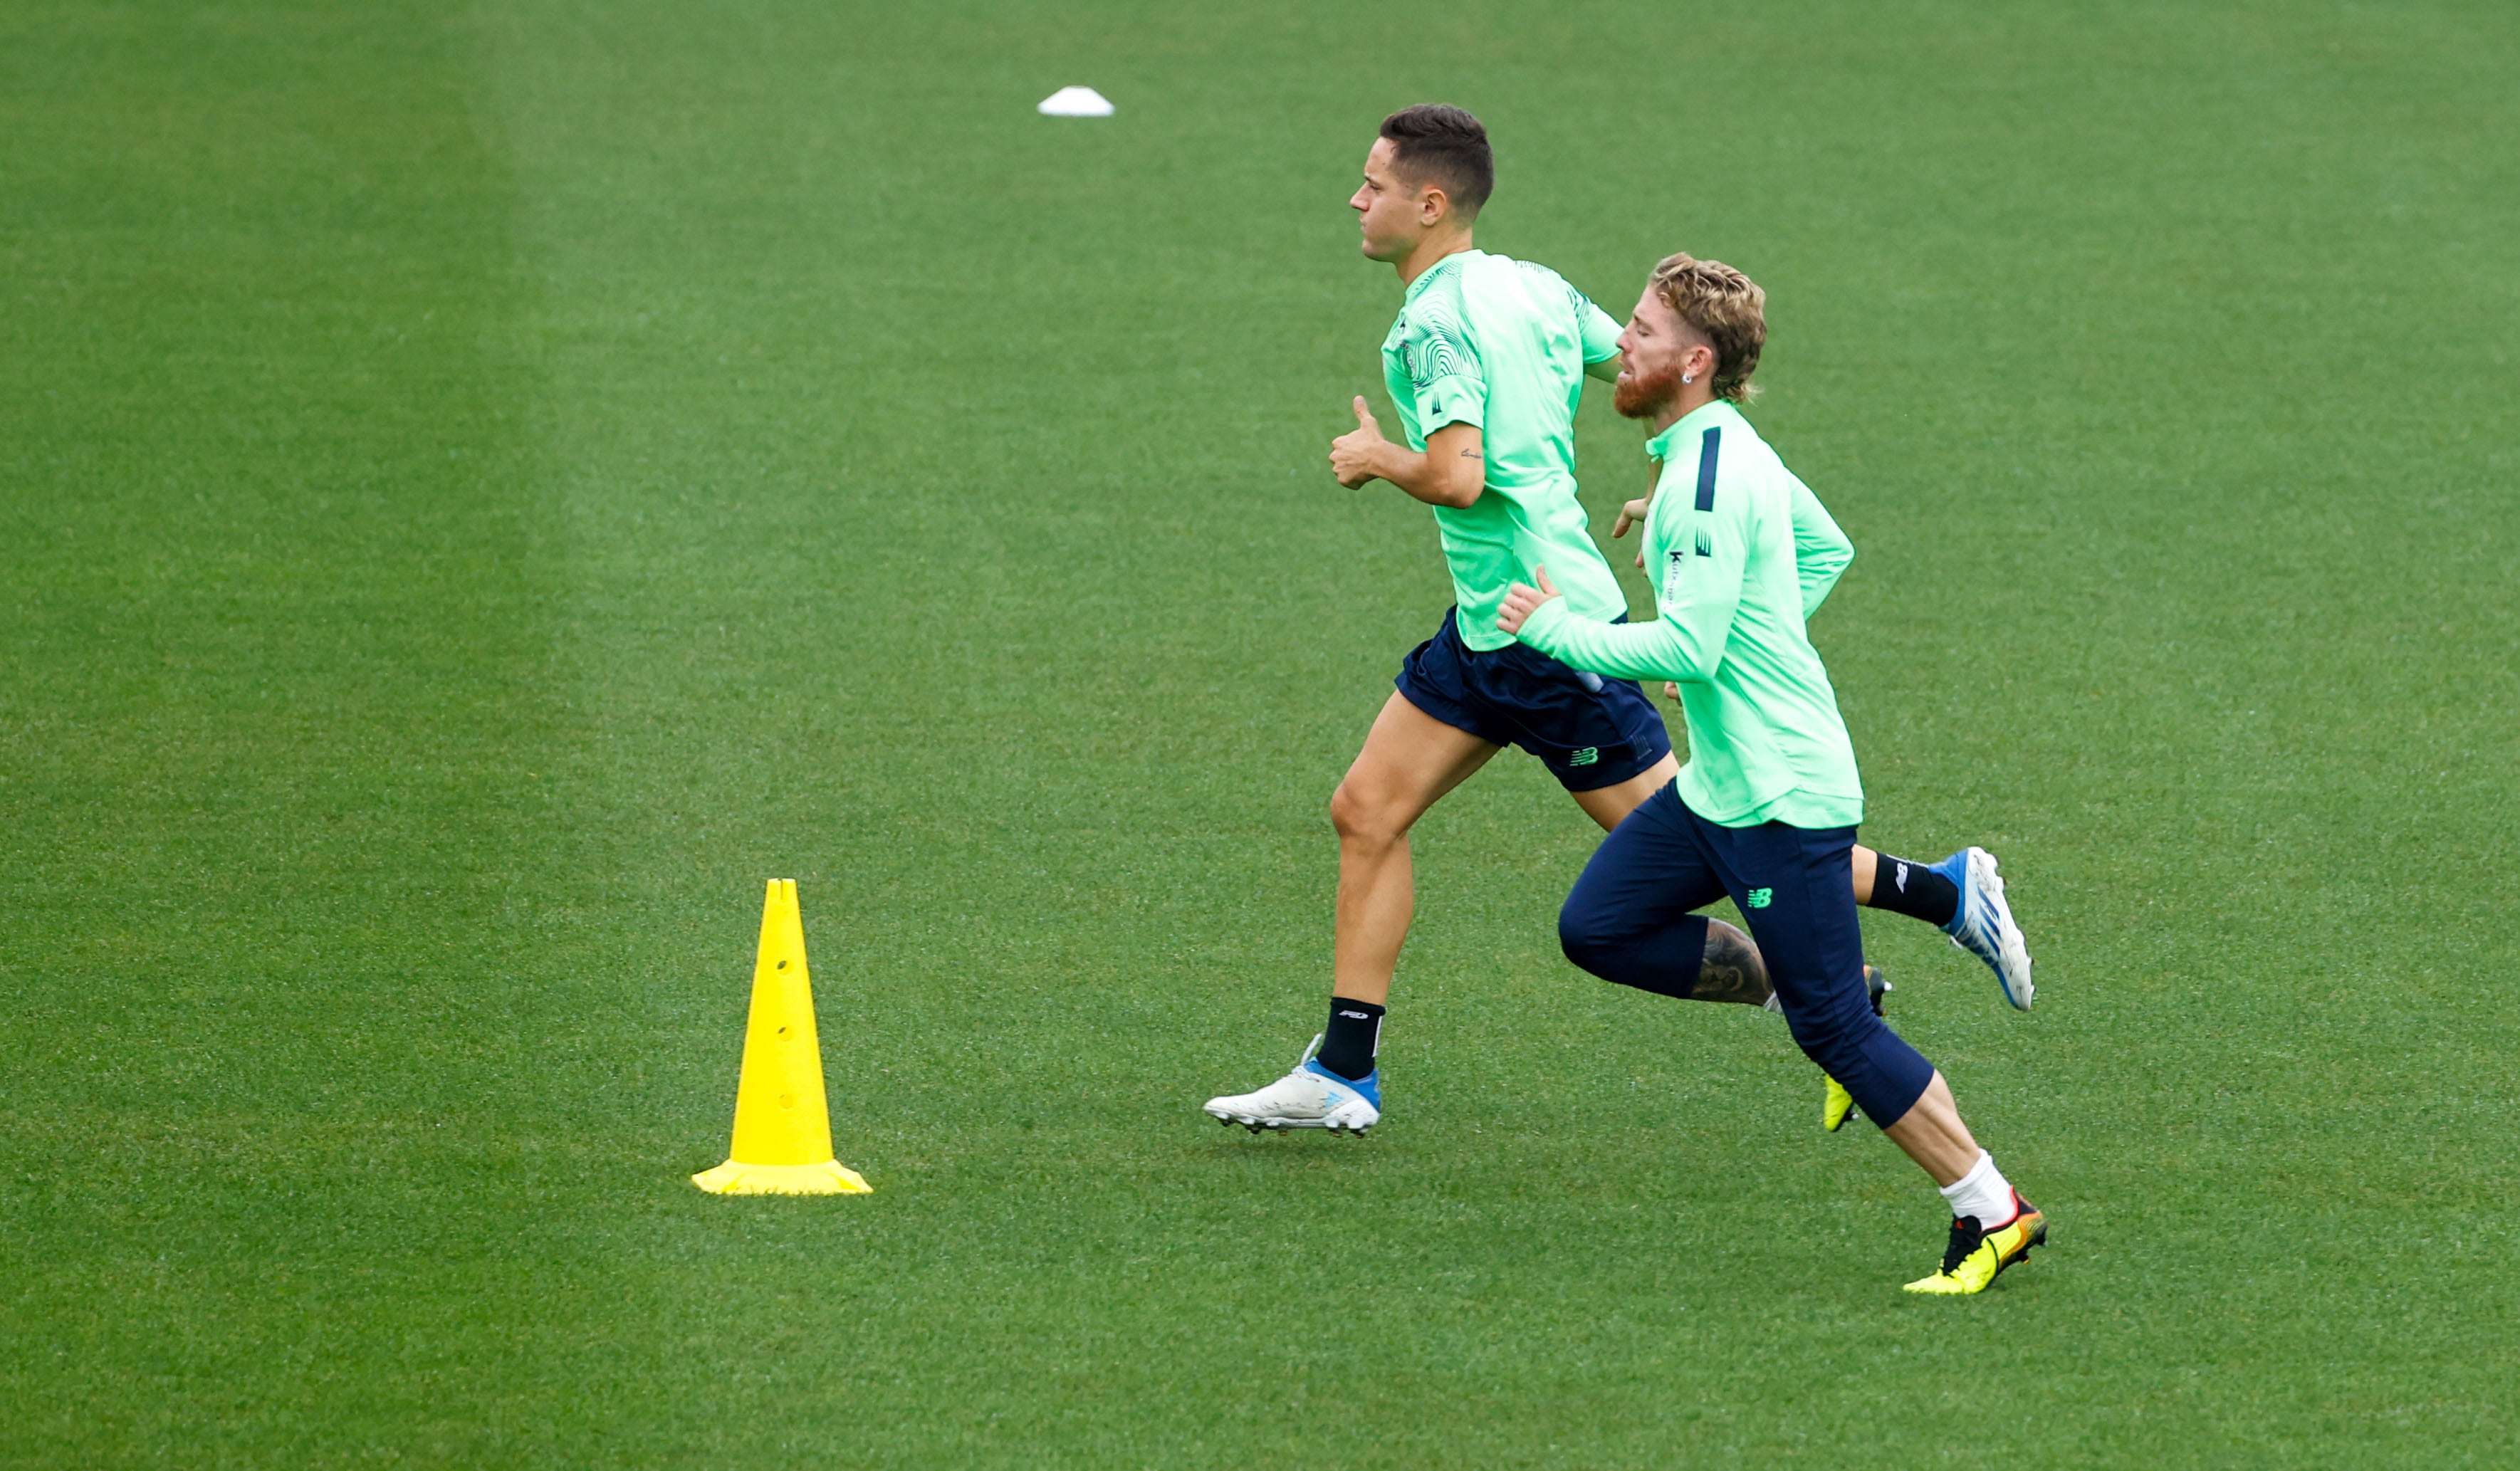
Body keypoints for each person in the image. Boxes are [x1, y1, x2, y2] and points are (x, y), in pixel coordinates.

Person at [1203, 105, 2030, 1141]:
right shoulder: (1536, 287)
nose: (1355, 200)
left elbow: (1461, 477)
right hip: (1487, 632)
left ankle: (1936, 899)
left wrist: (1379, 461)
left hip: (1554, 639)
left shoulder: (1429, 325)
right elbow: (1647, 369)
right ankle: (1345, 1068)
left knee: (1728, 836)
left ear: (1430, 202)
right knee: (1365, 810)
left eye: (1372, 185)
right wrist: (1681, 484)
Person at [1498, 253, 2045, 1293]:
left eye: (1644, 334)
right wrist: (1736, 623)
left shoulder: (1703, 482)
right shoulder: (1715, 452)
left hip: (1780, 801)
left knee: (1833, 1025)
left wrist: (1565, 628)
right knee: (1598, 927)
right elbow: (1823, 550)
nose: (1622, 343)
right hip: (1720, 789)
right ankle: (1900, 933)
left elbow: (1693, 652)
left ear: (1694, 362)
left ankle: (1993, 1210)